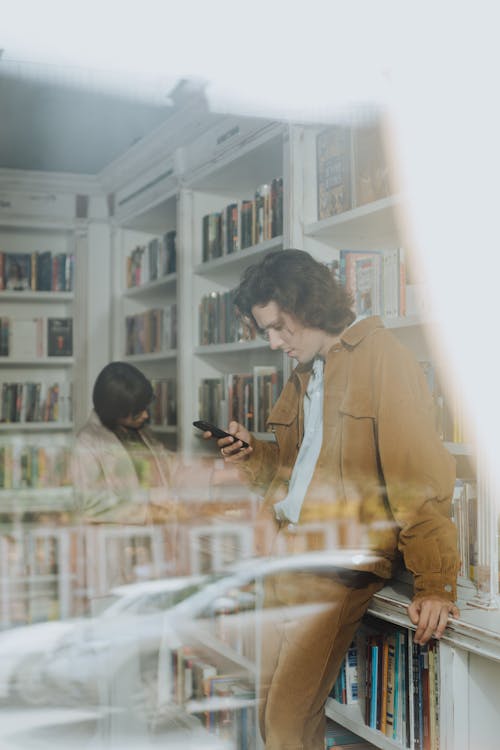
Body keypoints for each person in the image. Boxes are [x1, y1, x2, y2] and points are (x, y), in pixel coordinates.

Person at [204, 249, 460, 750]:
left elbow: (419, 480)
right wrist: (252, 454)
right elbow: (296, 469)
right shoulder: (306, 372)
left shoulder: (385, 359)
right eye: (266, 331)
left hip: (337, 566)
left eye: (279, 327)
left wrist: (435, 583)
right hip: (285, 554)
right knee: (267, 709)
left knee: (286, 721)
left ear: (310, 305)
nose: (275, 343)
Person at [72, 361, 177, 526]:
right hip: (119, 541)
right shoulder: (86, 443)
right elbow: (90, 506)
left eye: (145, 408)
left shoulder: (138, 431)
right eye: (136, 413)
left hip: (157, 534)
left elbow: (168, 467)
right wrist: (146, 510)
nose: (145, 416)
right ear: (114, 412)